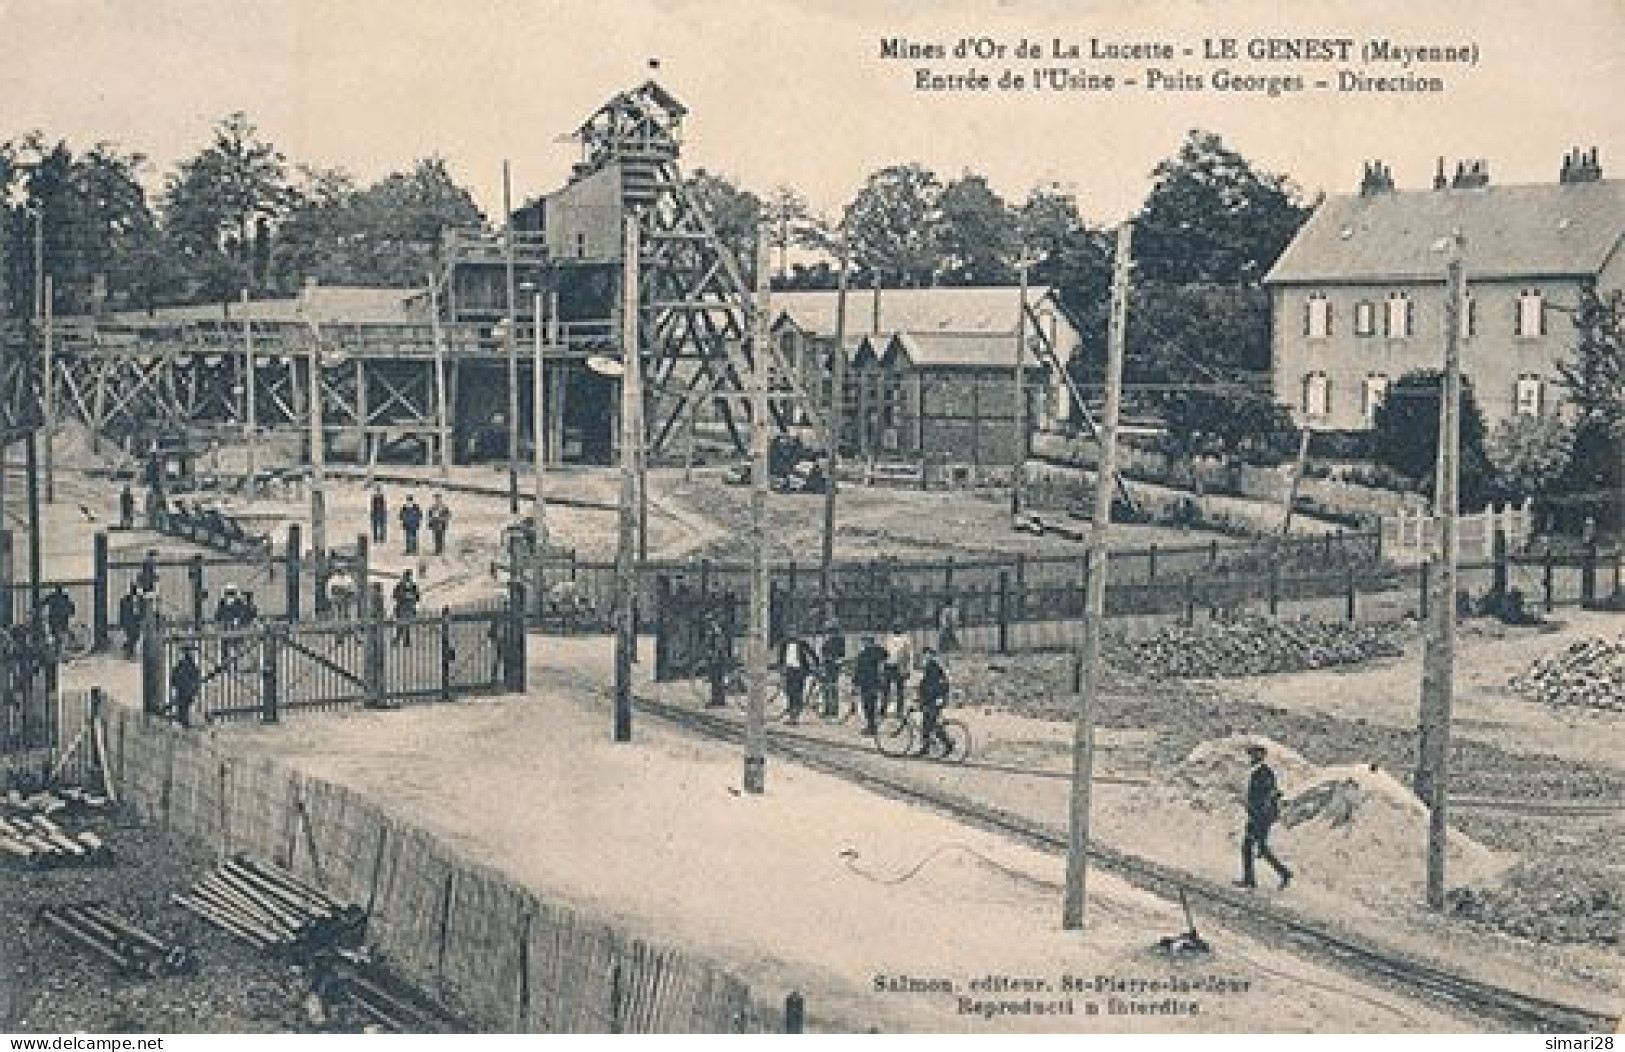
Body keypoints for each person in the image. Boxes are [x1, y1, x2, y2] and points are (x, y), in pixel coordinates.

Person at [1237, 743, 1293, 890]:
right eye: (1251, 754)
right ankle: (1282, 874)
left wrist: (1261, 815)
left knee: (1250, 846)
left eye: (1255, 754)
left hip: (1261, 816)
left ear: (1261, 755)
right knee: (1257, 847)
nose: (1252, 757)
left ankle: (1251, 880)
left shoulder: (1264, 773)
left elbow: (1270, 795)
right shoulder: (1256, 772)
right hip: (1256, 814)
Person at [914, 648, 952, 758]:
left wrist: (936, 698)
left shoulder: (934, 666)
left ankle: (948, 744)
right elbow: (925, 684)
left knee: (931, 724)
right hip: (930, 699)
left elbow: (937, 685)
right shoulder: (929, 667)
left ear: (931, 655)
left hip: (934, 700)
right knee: (926, 723)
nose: (925, 657)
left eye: (927, 655)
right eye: (924, 655)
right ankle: (925, 748)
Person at [851, 633, 887, 735]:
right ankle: (872, 726)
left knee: (868, 706)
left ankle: (871, 727)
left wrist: (855, 684)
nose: (863, 643)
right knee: (872, 705)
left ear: (867, 642)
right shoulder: (876, 652)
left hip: (867, 684)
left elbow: (857, 671)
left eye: (865, 641)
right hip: (874, 683)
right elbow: (885, 654)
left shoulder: (862, 655)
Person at [780, 632, 818, 724]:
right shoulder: (784, 644)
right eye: (790, 633)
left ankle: (795, 717)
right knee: (789, 692)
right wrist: (781, 668)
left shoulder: (802, 643)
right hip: (789, 671)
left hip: (800, 671)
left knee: (797, 692)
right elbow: (781, 658)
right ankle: (792, 714)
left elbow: (812, 653)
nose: (792, 635)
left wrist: (817, 663)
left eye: (794, 634)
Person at [882, 625, 914, 717]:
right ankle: (883, 709)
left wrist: (909, 669)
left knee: (900, 690)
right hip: (888, 666)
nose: (897, 628)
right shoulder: (888, 638)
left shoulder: (906, 639)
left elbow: (909, 656)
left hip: (899, 667)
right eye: (895, 627)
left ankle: (899, 710)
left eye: (899, 627)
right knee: (885, 689)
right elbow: (884, 653)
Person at [818, 619, 847, 717]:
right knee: (826, 688)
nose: (829, 633)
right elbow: (823, 652)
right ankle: (827, 709)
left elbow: (841, 654)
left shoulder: (839, 640)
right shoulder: (827, 640)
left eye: (831, 630)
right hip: (826, 665)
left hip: (833, 666)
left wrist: (833, 658)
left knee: (832, 687)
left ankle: (833, 710)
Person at [170, 645, 201, 729]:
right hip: (184, 689)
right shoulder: (184, 665)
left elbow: (174, 677)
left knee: (184, 705)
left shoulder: (187, 665)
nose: (191, 654)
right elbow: (174, 677)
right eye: (188, 652)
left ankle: (184, 721)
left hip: (185, 689)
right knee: (183, 705)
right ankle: (183, 721)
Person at [391, 571, 421, 645]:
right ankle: (397, 639)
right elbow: (394, 595)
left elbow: (417, 598)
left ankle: (406, 640)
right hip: (401, 607)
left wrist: (412, 597)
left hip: (409, 608)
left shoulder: (414, 586)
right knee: (399, 624)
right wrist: (403, 596)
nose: (407, 578)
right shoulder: (399, 586)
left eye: (409, 577)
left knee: (407, 624)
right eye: (406, 577)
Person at [118, 583, 146, 660]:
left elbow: (144, 610)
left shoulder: (141, 599)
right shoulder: (124, 600)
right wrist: (121, 623)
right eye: (132, 589)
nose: (133, 591)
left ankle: (128, 648)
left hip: (137, 621)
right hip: (128, 622)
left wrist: (142, 619)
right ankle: (130, 653)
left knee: (136, 636)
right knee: (131, 636)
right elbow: (122, 612)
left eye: (135, 589)